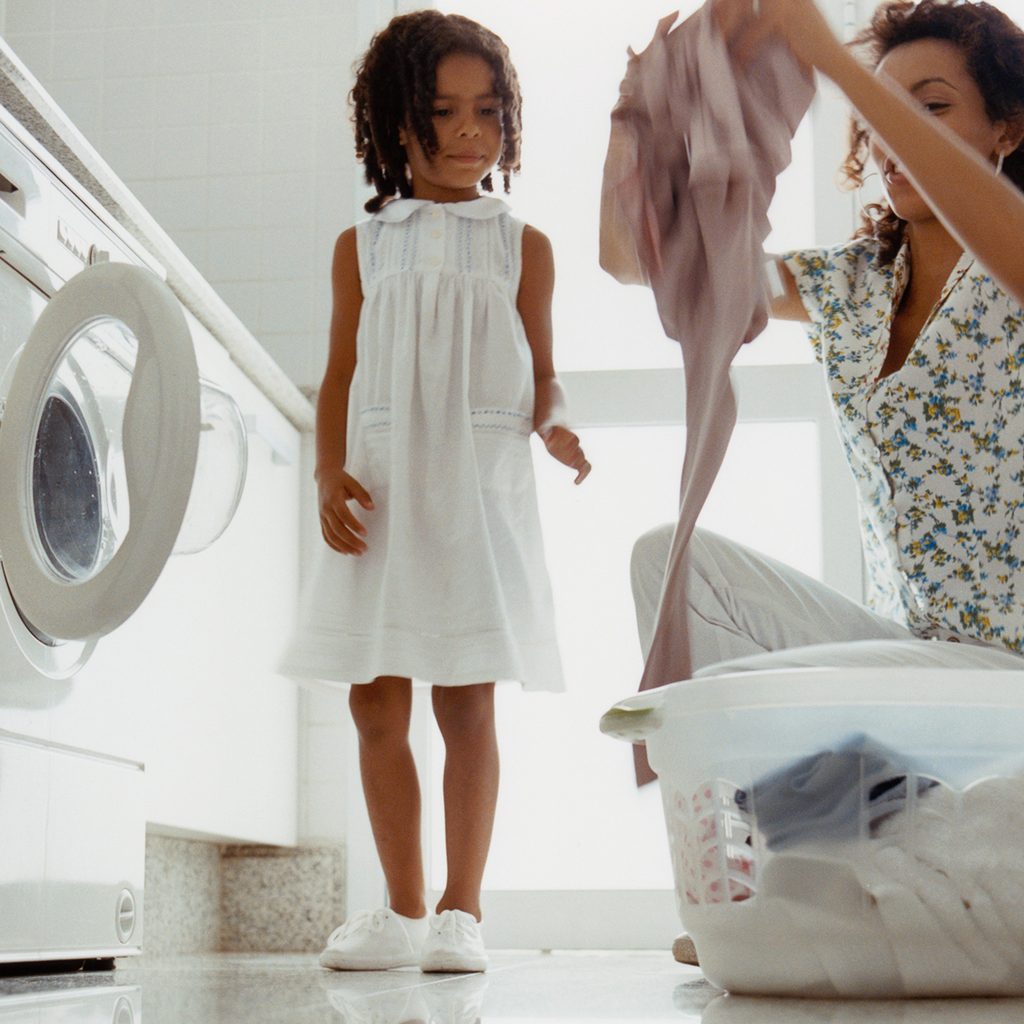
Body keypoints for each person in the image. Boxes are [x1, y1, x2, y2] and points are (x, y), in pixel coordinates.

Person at [280, 10, 590, 974]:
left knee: (466, 705)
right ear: (392, 125)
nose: (468, 132)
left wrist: (558, 423)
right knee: (376, 704)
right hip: (379, 490)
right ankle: (401, 907)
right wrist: (330, 471)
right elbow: (337, 376)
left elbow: (543, 370)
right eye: (442, 111)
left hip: (475, 494)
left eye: (488, 112)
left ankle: (464, 909)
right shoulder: (363, 247)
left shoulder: (521, 246)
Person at [633, 0, 1024, 678]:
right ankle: (724, 785)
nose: (890, 138)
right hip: (912, 659)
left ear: (1007, 131)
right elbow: (654, 265)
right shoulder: (854, 285)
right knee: (672, 562)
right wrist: (654, 117)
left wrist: (837, 61)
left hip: (1008, 670)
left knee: (772, 713)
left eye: (929, 108)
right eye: (878, 118)